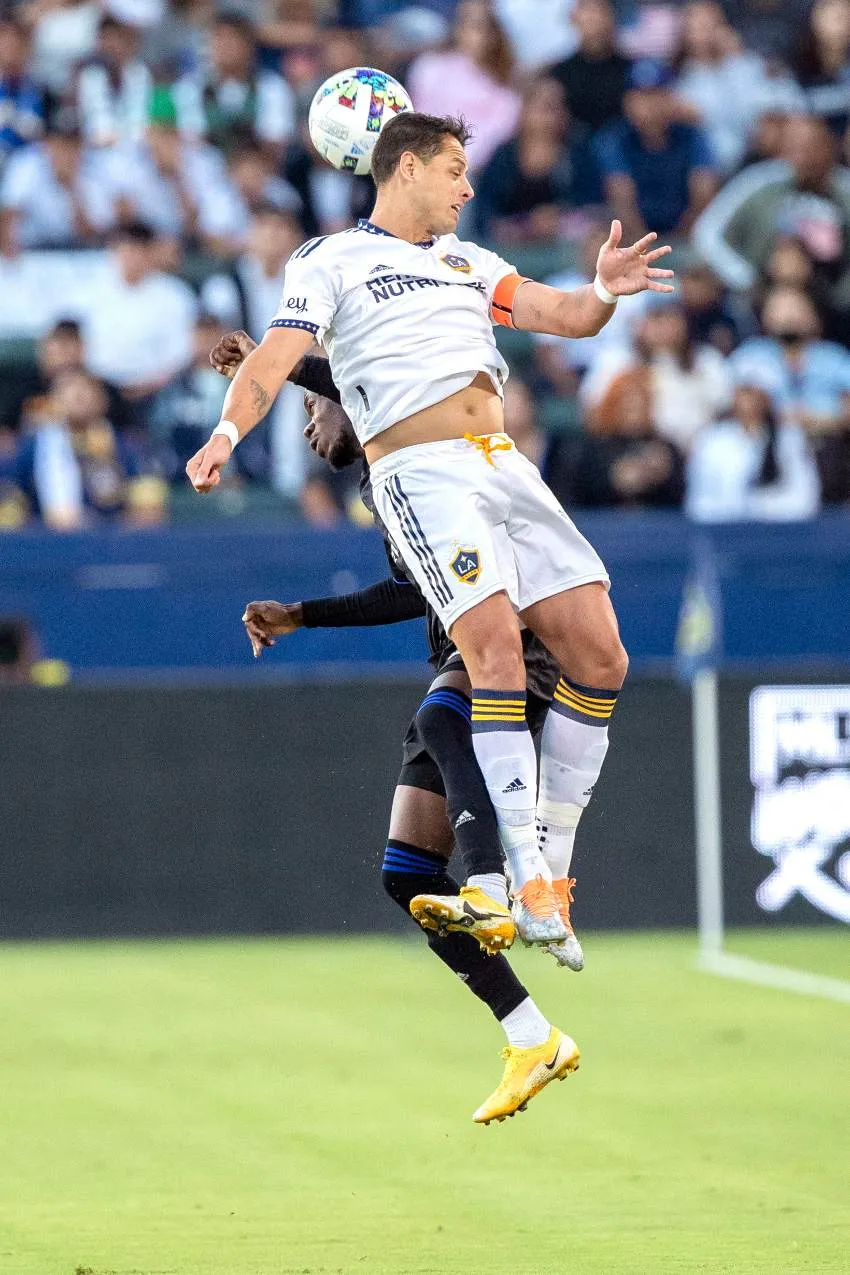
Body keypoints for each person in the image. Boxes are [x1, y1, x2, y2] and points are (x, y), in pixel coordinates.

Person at [186, 115, 673, 1096]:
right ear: (404, 167)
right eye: (453, 171)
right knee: (483, 655)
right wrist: (227, 434)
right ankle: (509, 886)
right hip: (427, 469)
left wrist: (602, 297)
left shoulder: (465, 258)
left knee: (605, 657)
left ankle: (546, 881)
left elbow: (558, 316)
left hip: (503, 464)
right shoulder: (330, 261)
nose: (465, 188)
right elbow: (278, 360)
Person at [693, 114, 850, 317]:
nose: (803, 157)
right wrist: (746, 278)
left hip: (834, 301)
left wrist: (842, 294)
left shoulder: (844, 188)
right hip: (760, 295)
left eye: (811, 148)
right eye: (795, 149)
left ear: (830, 148)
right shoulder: (760, 183)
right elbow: (707, 233)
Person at [594, 58, 717, 238]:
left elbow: (703, 193)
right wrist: (646, 246)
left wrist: (679, 242)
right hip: (633, 238)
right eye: (641, 97)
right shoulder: (614, 139)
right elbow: (621, 199)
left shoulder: (692, 136)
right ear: (627, 102)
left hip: (687, 235)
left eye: (657, 94)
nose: (650, 105)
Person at [686, 374, 821, 522]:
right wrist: (737, 510)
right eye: (744, 392)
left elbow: (805, 501)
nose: (750, 402)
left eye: (756, 394)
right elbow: (698, 503)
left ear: (767, 399)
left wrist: (759, 508)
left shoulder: (790, 440)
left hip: (778, 534)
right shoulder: (711, 440)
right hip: (724, 534)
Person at [548, 0, 631, 133]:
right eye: (588, 10)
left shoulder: (632, 71)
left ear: (613, 17)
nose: (594, 18)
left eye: (600, 10)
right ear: (574, 18)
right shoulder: (558, 74)